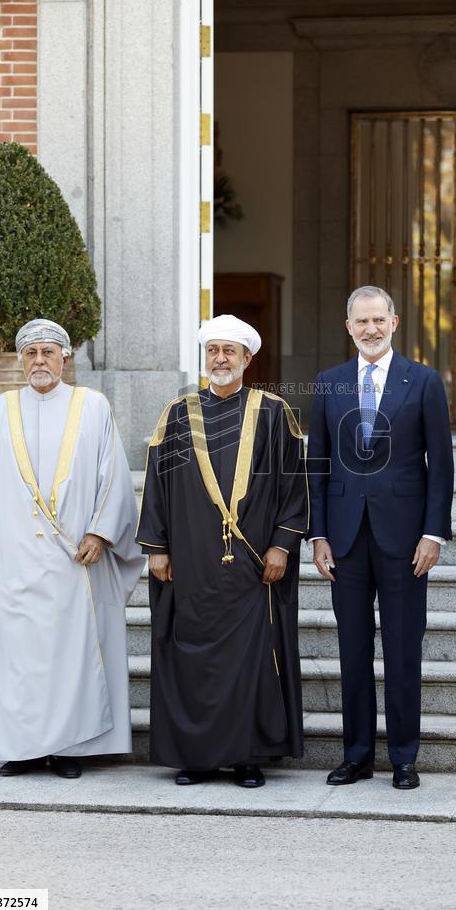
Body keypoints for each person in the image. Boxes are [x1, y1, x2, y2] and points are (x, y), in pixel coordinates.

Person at [136, 314, 308, 789]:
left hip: (254, 568)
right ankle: (197, 758)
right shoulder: (177, 414)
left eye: (229, 351)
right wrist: (156, 547)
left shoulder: (274, 413)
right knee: (193, 660)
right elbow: (157, 484)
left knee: (250, 660)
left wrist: (282, 544)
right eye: (213, 351)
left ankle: (247, 756)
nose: (220, 359)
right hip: (190, 562)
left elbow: (296, 486)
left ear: (248, 359)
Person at [0, 319, 144, 778]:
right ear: (20, 360)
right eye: (31, 354)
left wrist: (101, 532)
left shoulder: (93, 407)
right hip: (13, 558)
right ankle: (22, 747)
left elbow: (114, 477)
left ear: (66, 358)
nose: (40, 361)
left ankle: (70, 748)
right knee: (20, 656)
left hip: (74, 561)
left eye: (49, 353)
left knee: (72, 655)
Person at [307, 287, 454, 789]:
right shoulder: (330, 384)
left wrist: (434, 532)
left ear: (394, 322)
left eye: (378, 319)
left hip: (406, 539)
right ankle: (357, 754)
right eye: (360, 321)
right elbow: (318, 466)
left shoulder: (425, 381)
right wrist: (318, 534)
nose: (369, 329)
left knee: (403, 649)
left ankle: (405, 757)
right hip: (344, 539)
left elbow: (441, 467)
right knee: (352, 651)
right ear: (348, 327)